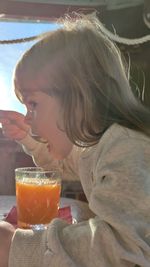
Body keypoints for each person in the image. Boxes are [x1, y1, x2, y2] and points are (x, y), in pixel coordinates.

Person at [0, 13, 150, 267]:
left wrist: (15, 246)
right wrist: (27, 137)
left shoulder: (127, 148)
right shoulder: (95, 147)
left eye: (33, 104)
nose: (28, 118)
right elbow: (62, 166)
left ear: (79, 98)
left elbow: (125, 249)